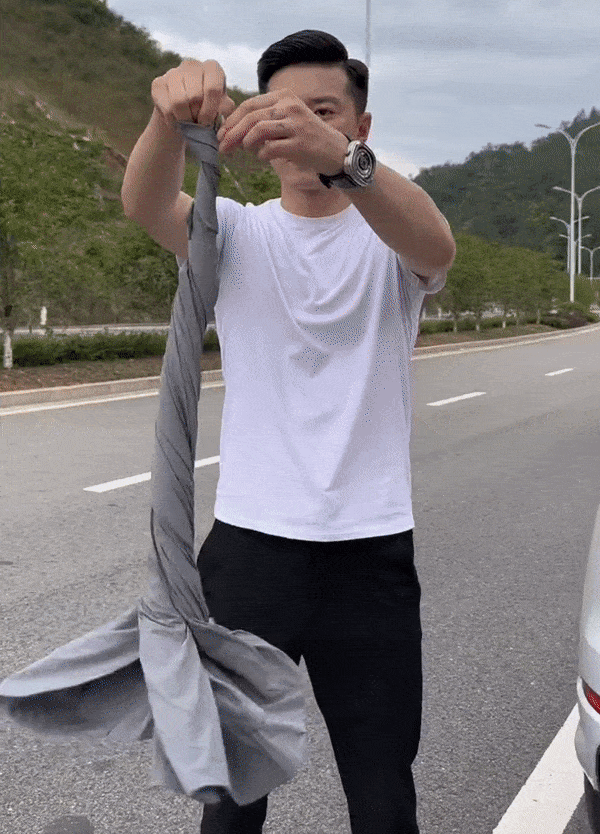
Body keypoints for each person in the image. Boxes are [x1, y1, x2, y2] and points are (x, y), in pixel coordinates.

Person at [122, 29, 455, 834]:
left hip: (370, 555)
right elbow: (145, 205)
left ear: (360, 128)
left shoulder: (390, 239)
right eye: (285, 109)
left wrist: (345, 163)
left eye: (325, 111)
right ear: (257, 126)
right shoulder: (235, 234)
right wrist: (167, 120)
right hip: (250, 556)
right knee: (232, 795)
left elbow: (436, 244)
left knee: (382, 789)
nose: (302, 124)